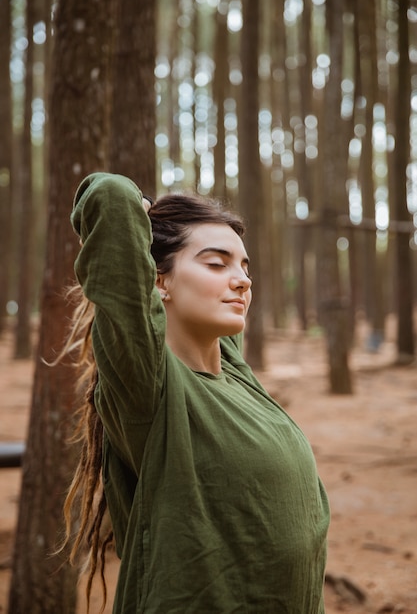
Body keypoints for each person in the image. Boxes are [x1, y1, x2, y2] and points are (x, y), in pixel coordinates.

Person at [63, 172, 330, 614]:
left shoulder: (236, 374)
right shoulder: (148, 388)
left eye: (244, 266)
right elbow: (109, 196)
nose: (242, 280)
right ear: (158, 281)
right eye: (216, 263)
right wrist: (144, 212)